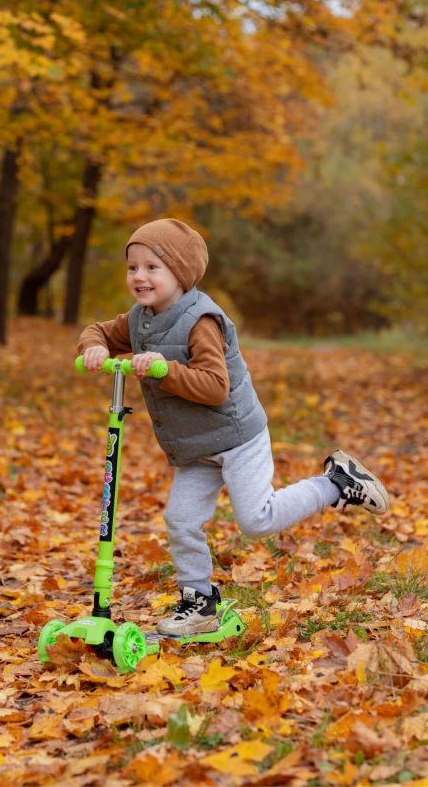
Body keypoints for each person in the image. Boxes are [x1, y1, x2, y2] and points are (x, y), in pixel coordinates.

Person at [77, 219, 389, 637]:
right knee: (181, 519)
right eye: (132, 267)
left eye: (152, 267)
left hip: (238, 435)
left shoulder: (201, 321)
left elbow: (215, 387)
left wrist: (165, 369)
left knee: (257, 519)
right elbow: (98, 330)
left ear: (180, 273)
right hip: (196, 447)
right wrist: (94, 348)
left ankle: (337, 482)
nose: (139, 276)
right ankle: (199, 602)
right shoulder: (139, 320)